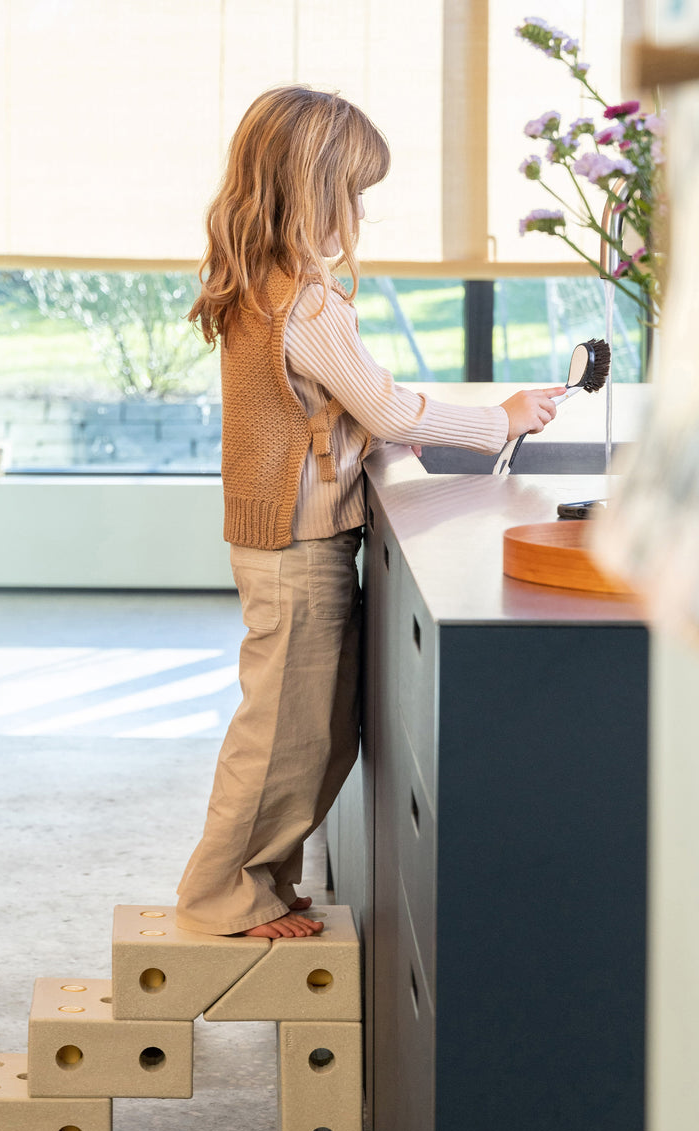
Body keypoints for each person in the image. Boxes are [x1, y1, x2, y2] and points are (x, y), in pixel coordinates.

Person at [175, 85, 564, 939]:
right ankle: (220, 895)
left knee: (310, 732)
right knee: (286, 736)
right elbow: (384, 407)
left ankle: (261, 882)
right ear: (311, 192)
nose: (358, 213)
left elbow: (335, 403)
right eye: (351, 193)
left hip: (282, 542)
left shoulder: (263, 286)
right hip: (298, 552)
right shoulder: (305, 302)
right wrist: (498, 421)